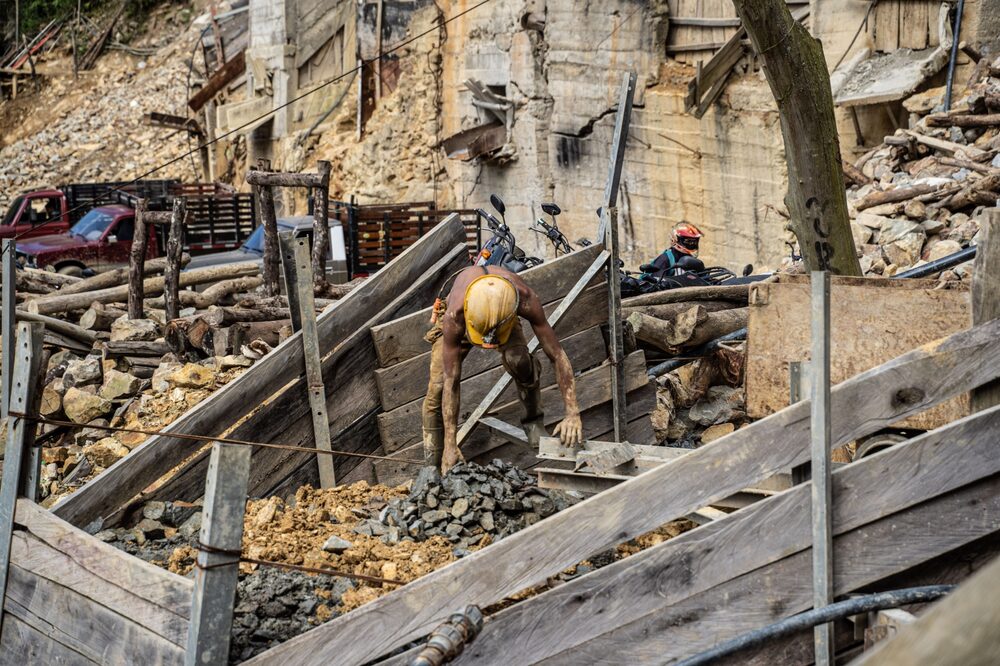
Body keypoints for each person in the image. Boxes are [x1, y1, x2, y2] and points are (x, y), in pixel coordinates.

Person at [422, 266, 583, 474]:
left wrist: (573, 412)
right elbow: (451, 381)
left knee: (519, 361)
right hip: (467, 319)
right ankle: (433, 466)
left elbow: (557, 355)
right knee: (437, 389)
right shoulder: (455, 316)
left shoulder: (524, 298)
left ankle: (533, 424)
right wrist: (451, 443)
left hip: (503, 321)